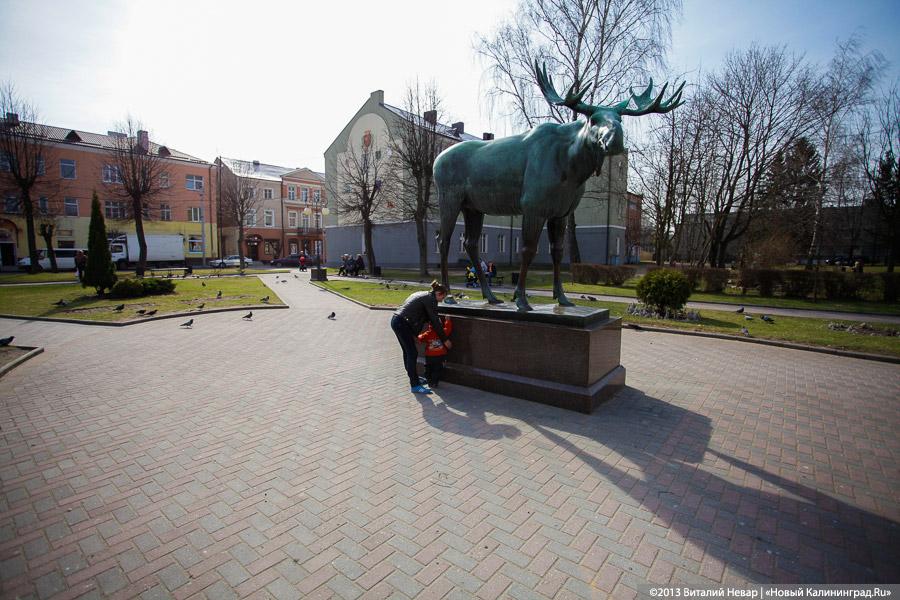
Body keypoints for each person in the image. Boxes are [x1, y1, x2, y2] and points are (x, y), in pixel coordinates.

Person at [391, 281, 452, 394]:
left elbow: (413, 313)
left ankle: (413, 378)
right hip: (402, 324)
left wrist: (413, 334)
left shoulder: (422, 294)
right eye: (442, 297)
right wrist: (445, 339)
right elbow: (435, 321)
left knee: (407, 352)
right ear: (438, 293)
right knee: (412, 353)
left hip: (397, 320)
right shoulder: (430, 299)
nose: (441, 301)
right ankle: (415, 385)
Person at [417, 315, 453, 388]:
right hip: (440, 356)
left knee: (428, 368)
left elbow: (420, 338)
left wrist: (418, 334)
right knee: (437, 369)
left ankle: (429, 381)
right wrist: (447, 320)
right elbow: (448, 329)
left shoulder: (427, 334)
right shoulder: (443, 332)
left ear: (430, 325)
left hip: (429, 356)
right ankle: (435, 382)